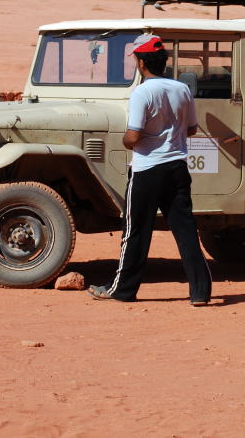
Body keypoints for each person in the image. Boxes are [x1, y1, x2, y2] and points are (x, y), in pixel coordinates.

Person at [88, 34, 212, 305]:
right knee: (186, 230)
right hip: (177, 167)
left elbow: (133, 137)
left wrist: (125, 140)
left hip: (147, 170)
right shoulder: (182, 89)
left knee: (135, 231)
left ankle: (123, 289)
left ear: (142, 62)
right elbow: (191, 129)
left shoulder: (142, 92)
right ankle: (200, 292)